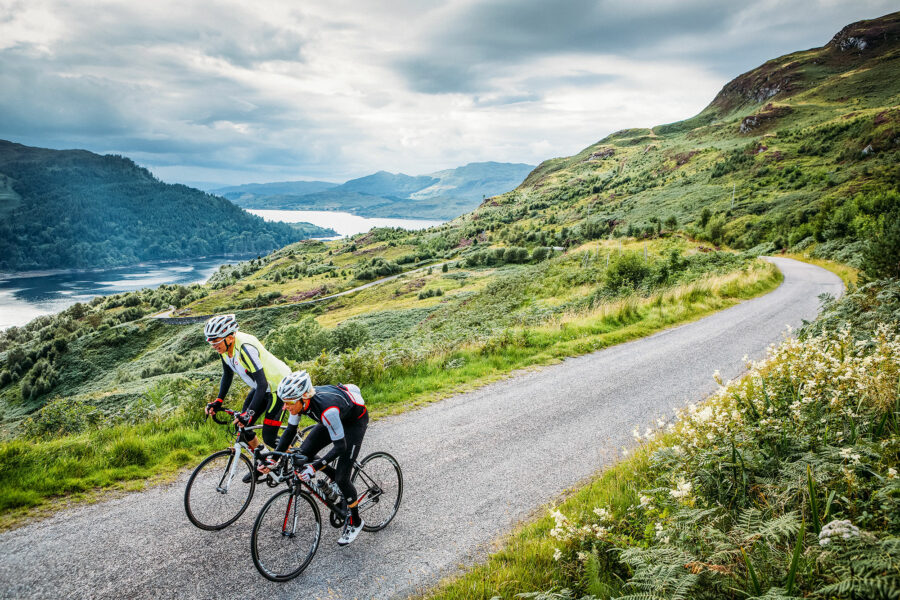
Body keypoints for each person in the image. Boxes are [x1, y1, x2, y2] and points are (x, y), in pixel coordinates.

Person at [268, 370, 369, 546]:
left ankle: (355, 521)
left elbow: (340, 447)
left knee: (343, 477)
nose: (285, 407)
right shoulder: (297, 401)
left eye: (289, 403)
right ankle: (333, 477)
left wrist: (313, 468)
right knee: (301, 455)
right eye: (284, 402)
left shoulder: (327, 410)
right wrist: (272, 460)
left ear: (304, 398)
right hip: (334, 418)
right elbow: (289, 432)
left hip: (354, 423)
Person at [203, 314, 292, 481]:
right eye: (211, 343)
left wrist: (248, 413)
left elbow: (263, 383)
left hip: (277, 387)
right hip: (261, 387)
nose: (214, 346)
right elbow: (227, 374)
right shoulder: (225, 348)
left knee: (270, 437)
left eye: (216, 342)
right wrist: (218, 401)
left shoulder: (245, 348)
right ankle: (266, 461)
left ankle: (297, 456)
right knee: (243, 428)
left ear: (230, 337)